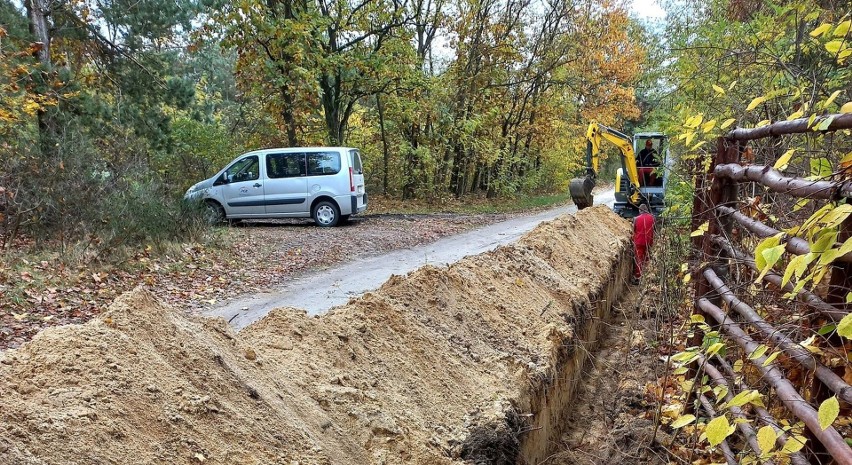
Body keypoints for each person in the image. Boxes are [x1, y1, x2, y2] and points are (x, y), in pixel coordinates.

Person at [632, 203, 655, 283]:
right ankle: (647, 277)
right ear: (647, 210)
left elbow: (634, 230)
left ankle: (638, 277)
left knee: (639, 259)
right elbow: (654, 230)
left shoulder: (636, 219)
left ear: (640, 210)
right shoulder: (652, 218)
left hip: (639, 242)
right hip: (649, 242)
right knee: (647, 258)